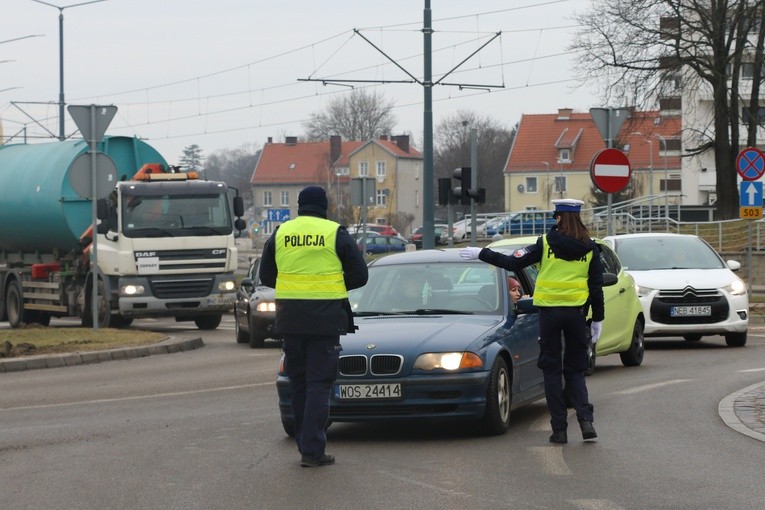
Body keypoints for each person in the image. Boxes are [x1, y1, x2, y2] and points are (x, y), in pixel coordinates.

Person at [459, 198, 604, 444]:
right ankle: (586, 421)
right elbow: (596, 288)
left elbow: (512, 262)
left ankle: (559, 430)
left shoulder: (545, 243)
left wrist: (481, 253)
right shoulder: (590, 249)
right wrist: (597, 319)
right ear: (578, 218)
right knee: (575, 370)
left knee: (551, 371)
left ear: (558, 218)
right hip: (576, 316)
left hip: (549, 315)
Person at [260, 186, 368, 467]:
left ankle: (304, 444)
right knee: (319, 384)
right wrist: (331, 286)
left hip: (290, 321)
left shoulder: (282, 233)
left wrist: (295, 287)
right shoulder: (334, 232)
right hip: (325, 321)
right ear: (325, 206)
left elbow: (267, 275)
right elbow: (360, 274)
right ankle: (312, 450)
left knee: (298, 384)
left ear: (299, 205)